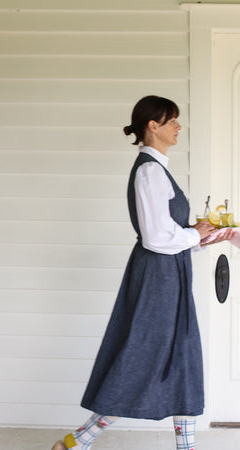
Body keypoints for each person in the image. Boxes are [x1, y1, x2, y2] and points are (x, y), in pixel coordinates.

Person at [52, 95, 234, 450]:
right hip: (157, 279)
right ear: (154, 125)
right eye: (173, 121)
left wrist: (201, 237)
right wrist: (192, 234)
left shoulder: (158, 169)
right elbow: (155, 238)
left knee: (182, 354)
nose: (179, 127)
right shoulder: (150, 171)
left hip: (169, 275)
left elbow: (169, 236)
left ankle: (84, 442)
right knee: (141, 357)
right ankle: (77, 441)